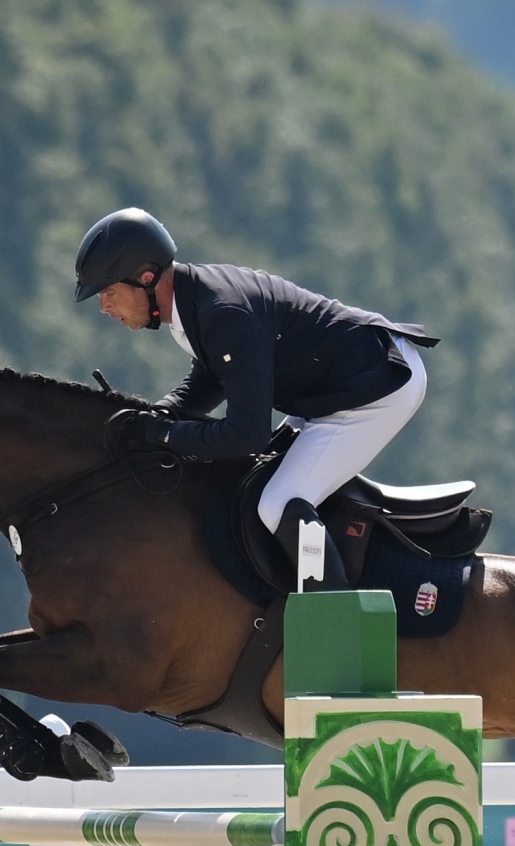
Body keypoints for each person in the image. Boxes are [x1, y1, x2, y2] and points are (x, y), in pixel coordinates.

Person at [76, 207, 438, 585]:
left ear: (146, 277)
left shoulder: (223, 312)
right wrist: (160, 413)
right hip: (329, 388)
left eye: (109, 293)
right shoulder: (194, 300)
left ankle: (340, 631)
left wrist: (162, 435)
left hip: (375, 389)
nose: (104, 307)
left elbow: (246, 435)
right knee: (251, 486)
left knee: (279, 503)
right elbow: (213, 376)